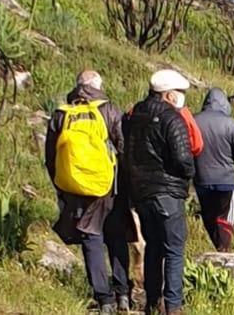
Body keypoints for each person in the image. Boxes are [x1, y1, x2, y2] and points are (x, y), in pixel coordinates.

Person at [44, 70, 130, 314]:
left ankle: (104, 299)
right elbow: (123, 148)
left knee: (90, 238)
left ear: (77, 87)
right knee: (115, 235)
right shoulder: (109, 110)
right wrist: (123, 182)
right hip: (107, 186)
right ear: (99, 86)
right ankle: (123, 293)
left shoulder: (61, 114)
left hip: (73, 186)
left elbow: (50, 156)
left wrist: (60, 184)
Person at [122, 69, 194, 315]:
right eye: (180, 92)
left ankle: (152, 302)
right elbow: (184, 159)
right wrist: (187, 174)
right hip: (168, 192)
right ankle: (173, 306)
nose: (182, 97)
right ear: (169, 95)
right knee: (174, 248)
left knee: (153, 245)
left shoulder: (133, 116)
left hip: (141, 192)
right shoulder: (171, 119)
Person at [193, 87, 234, 251]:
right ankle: (224, 252)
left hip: (201, 179)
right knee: (225, 220)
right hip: (225, 181)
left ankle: (218, 251)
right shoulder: (231, 124)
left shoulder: (194, 121)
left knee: (209, 217)